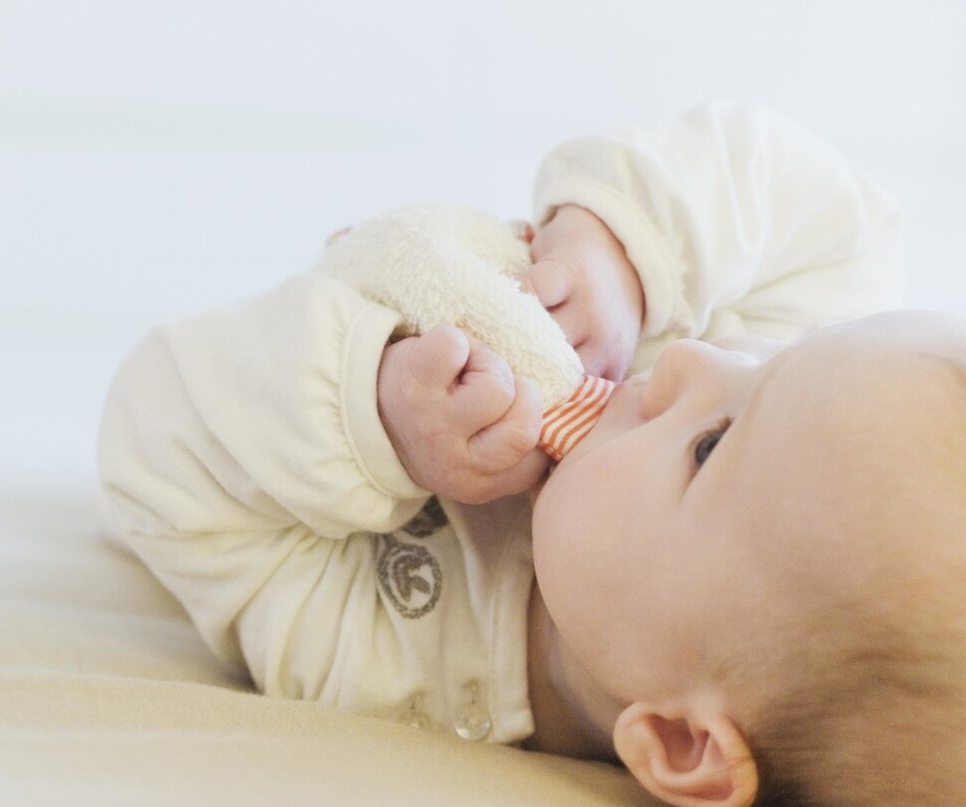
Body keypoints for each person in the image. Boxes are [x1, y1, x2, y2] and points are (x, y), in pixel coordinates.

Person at [97, 102, 966, 806]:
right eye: (770, 360)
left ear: (677, 742)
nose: (698, 360)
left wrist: (373, 414)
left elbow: (158, 457)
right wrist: (621, 251)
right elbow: (827, 215)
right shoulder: (790, 424)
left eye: (709, 446)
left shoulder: (395, 664)